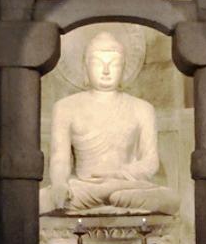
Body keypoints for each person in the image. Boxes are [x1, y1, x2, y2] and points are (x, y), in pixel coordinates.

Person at [40, 31, 179, 215]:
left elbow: (150, 162)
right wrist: (59, 184)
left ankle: (110, 197)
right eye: (98, 63)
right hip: (84, 187)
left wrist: (117, 175)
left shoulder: (142, 108)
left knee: (171, 198)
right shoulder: (65, 107)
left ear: (124, 68)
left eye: (114, 64)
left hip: (126, 185)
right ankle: (112, 199)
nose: (106, 71)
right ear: (85, 67)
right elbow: (60, 158)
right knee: (40, 200)